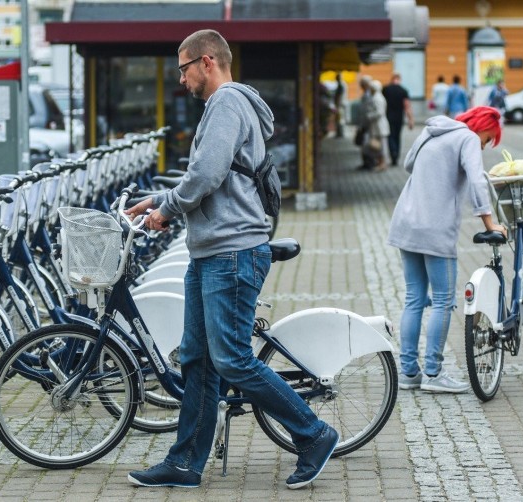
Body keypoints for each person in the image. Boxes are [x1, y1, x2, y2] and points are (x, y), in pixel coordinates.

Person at [125, 29, 339, 490]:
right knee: (199, 361)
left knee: (232, 359)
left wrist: (167, 210)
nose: (180, 79)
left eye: (183, 69)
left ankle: (314, 433)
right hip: (211, 252)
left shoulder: (226, 103)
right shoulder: (223, 107)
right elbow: (212, 177)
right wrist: (156, 199)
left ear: (206, 62)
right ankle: (184, 464)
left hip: (232, 252)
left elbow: (207, 172)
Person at [386, 106, 507, 393]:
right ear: (481, 128)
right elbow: (477, 180)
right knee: (442, 300)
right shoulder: (466, 139)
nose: (484, 145)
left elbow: (407, 163)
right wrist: (491, 223)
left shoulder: (430, 132)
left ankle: (408, 373)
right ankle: (433, 373)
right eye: (487, 140)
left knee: (414, 299)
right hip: (435, 229)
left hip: (406, 222)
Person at [382, 73, 415, 166]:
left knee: (390, 136)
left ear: (392, 79)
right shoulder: (403, 90)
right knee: (397, 136)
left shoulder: (385, 89)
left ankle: (393, 152)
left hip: (388, 117)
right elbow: (407, 106)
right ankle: (396, 157)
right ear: (399, 80)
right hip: (399, 118)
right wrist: (410, 120)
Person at [366, 79, 391, 171]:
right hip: (377, 125)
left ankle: (383, 163)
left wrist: (369, 115)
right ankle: (380, 162)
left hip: (380, 125)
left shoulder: (378, 98)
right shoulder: (376, 97)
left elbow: (380, 112)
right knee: (378, 146)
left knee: (382, 146)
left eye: (371, 88)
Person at [356, 75, 375, 170]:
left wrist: (362, 123)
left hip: (367, 124)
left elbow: (366, 110)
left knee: (366, 144)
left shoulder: (369, 95)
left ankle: (369, 163)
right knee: (365, 144)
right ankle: (367, 162)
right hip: (365, 123)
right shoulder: (367, 94)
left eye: (362, 84)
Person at [334, 72, 347, 138]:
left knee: (340, 119)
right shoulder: (342, 85)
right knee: (340, 119)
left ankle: (340, 133)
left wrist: (337, 104)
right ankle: (340, 133)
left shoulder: (341, 85)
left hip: (340, 104)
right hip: (341, 104)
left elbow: (339, 96)